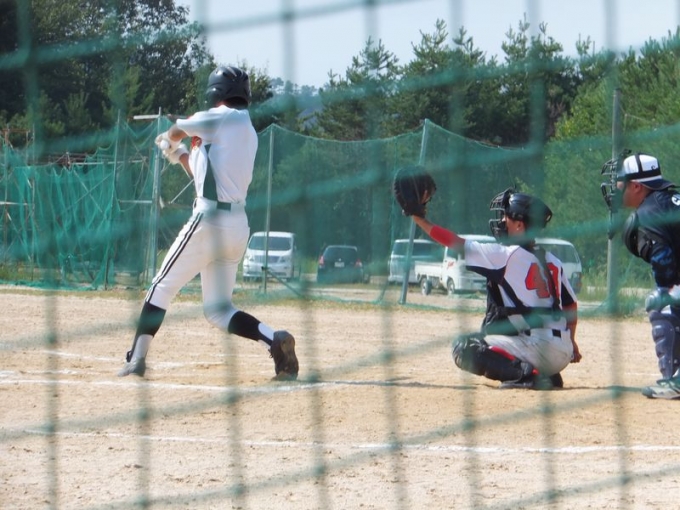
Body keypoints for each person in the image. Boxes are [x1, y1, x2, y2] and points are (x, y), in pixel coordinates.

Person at [118, 66, 299, 381]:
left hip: (209, 221)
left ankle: (136, 358)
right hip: (236, 225)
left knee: (160, 287)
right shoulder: (245, 129)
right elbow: (206, 177)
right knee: (218, 310)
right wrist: (180, 155)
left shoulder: (221, 117)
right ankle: (274, 339)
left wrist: (169, 141)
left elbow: (176, 129)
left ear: (216, 92)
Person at [412, 187, 581, 389]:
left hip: (538, 347)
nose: (502, 221)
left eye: (506, 217)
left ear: (519, 225)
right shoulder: (553, 260)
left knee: (464, 346)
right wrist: (572, 342)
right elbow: (570, 306)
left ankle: (527, 376)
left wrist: (419, 219)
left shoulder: (505, 254)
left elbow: (455, 242)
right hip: (563, 352)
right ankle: (546, 375)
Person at [617, 153, 680, 399]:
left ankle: (674, 382)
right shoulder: (669, 201)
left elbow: (665, 271)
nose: (617, 188)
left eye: (621, 182)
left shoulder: (650, 212)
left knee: (661, 300)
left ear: (636, 186)